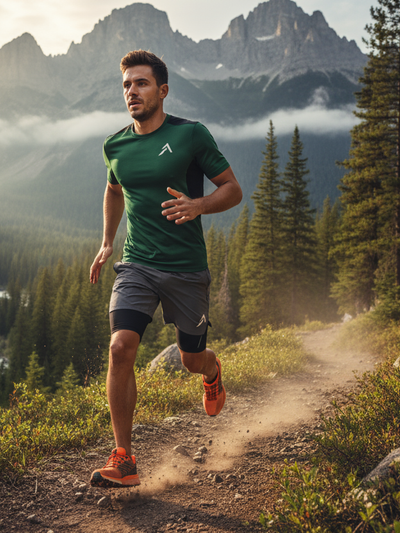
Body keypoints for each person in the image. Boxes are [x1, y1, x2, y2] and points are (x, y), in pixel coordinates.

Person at [88, 50, 243, 488]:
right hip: (137, 263)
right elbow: (114, 189)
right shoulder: (114, 145)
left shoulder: (191, 136)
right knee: (121, 347)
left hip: (186, 269)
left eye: (140, 83)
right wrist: (106, 241)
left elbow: (232, 189)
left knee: (191, 358)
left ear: (162, 90)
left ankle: (212, 373)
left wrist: (199, 205)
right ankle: (124, 459)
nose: (131, 91)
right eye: (126, 85)